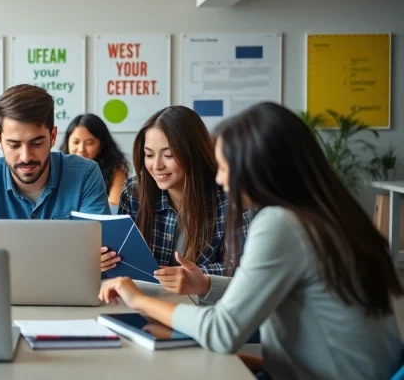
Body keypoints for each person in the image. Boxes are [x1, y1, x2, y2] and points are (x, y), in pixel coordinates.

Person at [98, 102, 403, 380]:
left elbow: (221, 332)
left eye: (225, 167)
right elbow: (268, 293)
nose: (220, 179)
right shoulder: (326, 214)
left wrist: (139, 301)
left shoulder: (281, 224)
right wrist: (206, 284)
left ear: (259, 166)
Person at [0, 84, 111, 250]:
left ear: (52, 136)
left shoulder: (85, 174)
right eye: (14, 145)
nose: (26, 157)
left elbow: (101, 247)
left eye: (36, 143)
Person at [103, 106, 248, 281]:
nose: (157, 166)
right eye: (149, 155)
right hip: (142, 294)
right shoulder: (134, 192)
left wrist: (193, 276)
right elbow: (123, 259)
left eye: (169, 155)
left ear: (193, 152)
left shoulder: (229, 197)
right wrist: (105, 260)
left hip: (201, 298)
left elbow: (242, 268)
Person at [60, 113, 129, 206]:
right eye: (76, 142)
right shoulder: (55, 167)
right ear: (67, 142)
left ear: (101, 146)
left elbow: (114, 206)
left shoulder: (115, 171)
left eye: (89, 143)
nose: (81, 149)